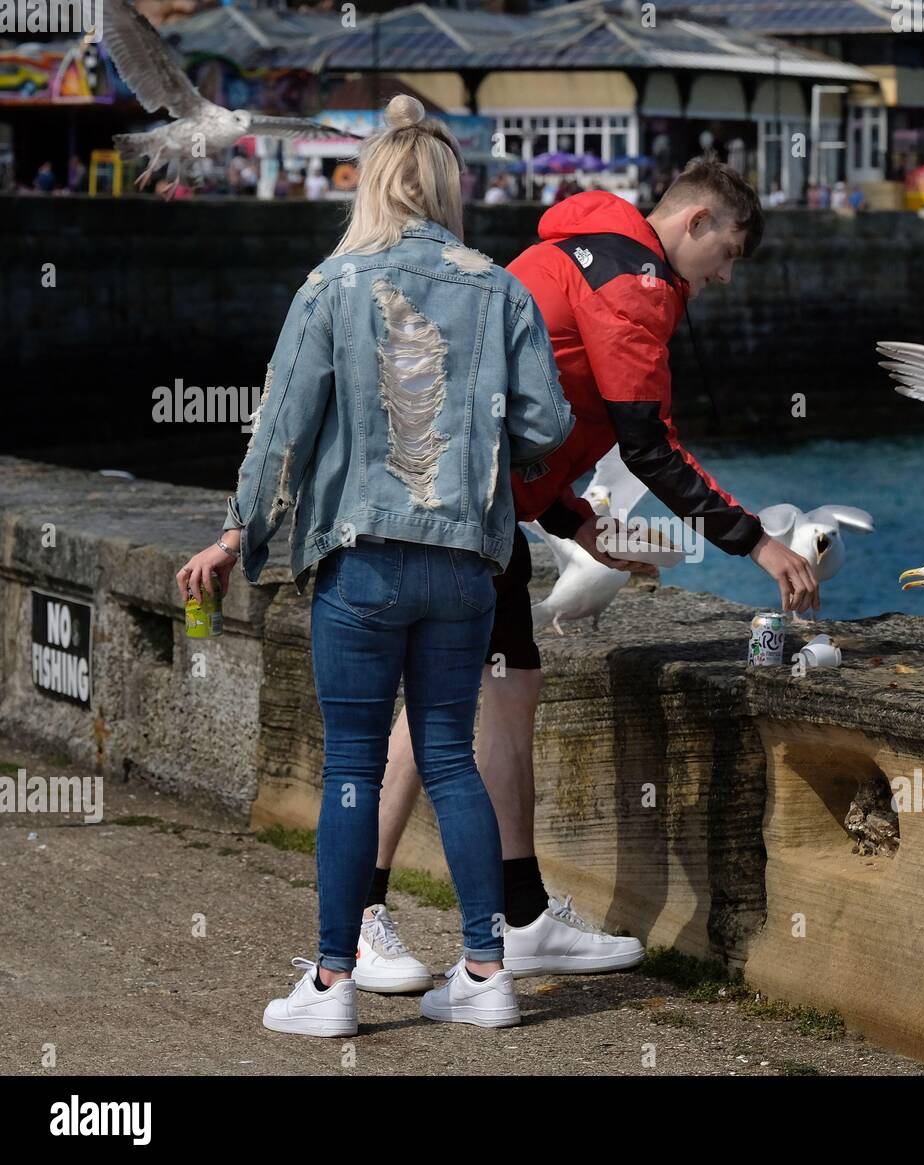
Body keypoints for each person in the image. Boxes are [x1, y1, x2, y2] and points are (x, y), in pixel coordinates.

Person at [349, 157, 821, 993]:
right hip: (458, 504)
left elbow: (543, 408)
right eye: (730, 253)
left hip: (466, 497)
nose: (725, 277)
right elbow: (649, 441)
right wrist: (757, 543)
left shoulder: (590, 254)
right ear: (697, 222)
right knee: (449, 702)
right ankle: (376, 920)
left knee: (498, 690)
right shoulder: (634, 279)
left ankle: (510, 917)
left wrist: (575, 522)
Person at [175, 95, 576, 1036]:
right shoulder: (502, 287)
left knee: (355, 763)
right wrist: (489, 449)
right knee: (450, 757)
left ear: (371, 184)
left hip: (361, 560)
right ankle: (486, 970)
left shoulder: (333, 284)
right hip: (467, 566)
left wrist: (236, 537)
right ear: (446, 188)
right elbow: (548, 427)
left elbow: (281, 430)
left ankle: (332, 983)